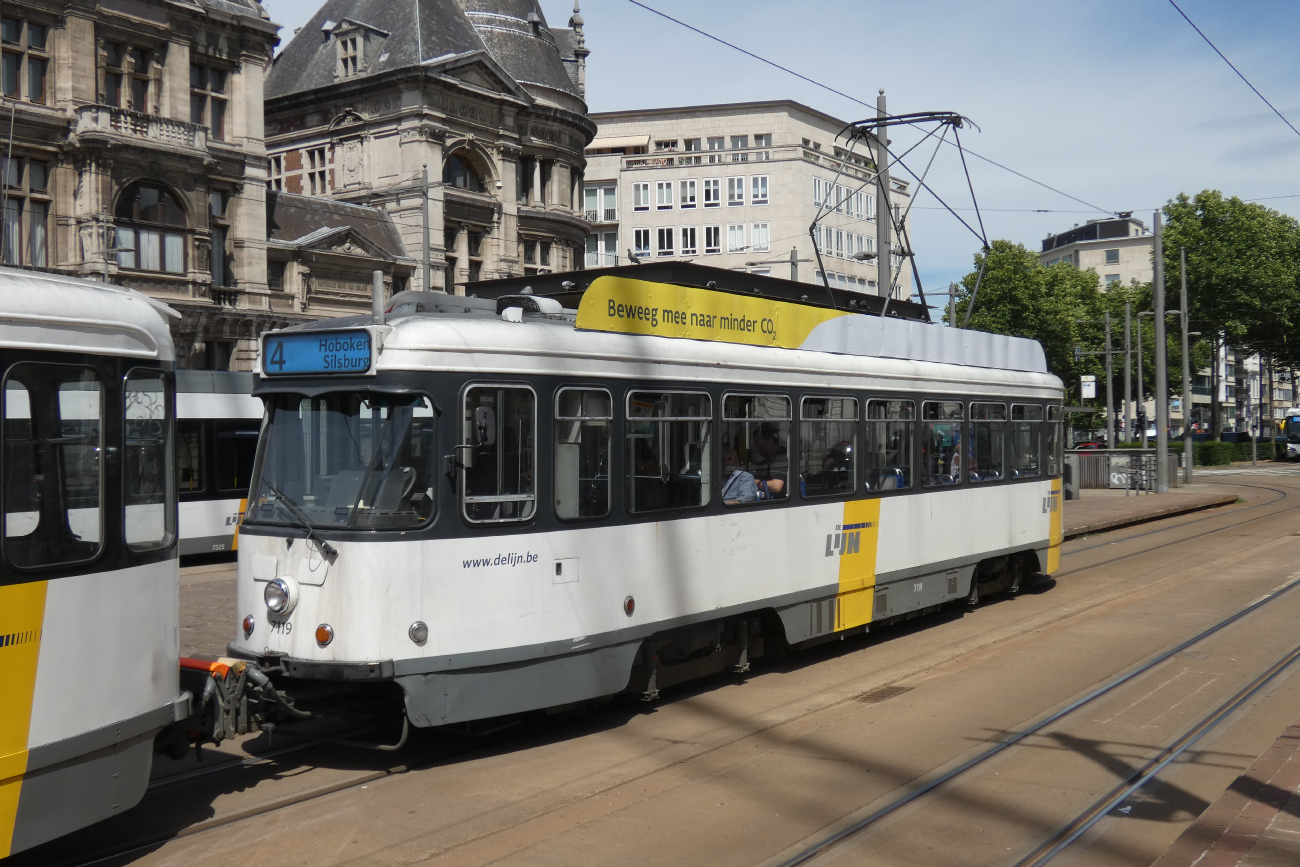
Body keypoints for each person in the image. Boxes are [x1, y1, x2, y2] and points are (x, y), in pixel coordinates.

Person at [751, 423, 789, 497]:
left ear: (770, 441)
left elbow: (776, 486)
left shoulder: (780, 458)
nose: (758, 449)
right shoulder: (767, 460)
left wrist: (750, 481)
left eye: (760, 445)